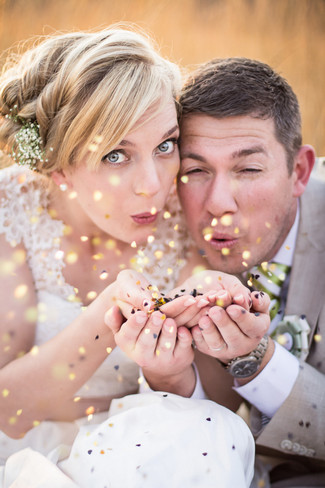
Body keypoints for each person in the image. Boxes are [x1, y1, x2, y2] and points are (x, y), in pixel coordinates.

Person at [0, 28, 266, 487]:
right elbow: (8, 409)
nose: (154, 184)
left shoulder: (187, 212)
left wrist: (174, 371)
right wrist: (108, 316)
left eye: (165, 145)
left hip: (146, 454)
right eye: (116, 155)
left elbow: (215, 417)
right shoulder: (13, 211)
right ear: (58, 165)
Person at [175, 57, 325, 487]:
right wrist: (169, 374)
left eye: (249, 169)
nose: (219, 202)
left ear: (298, 171)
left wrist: (256, 361)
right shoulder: (168, 233)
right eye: (197, 170)